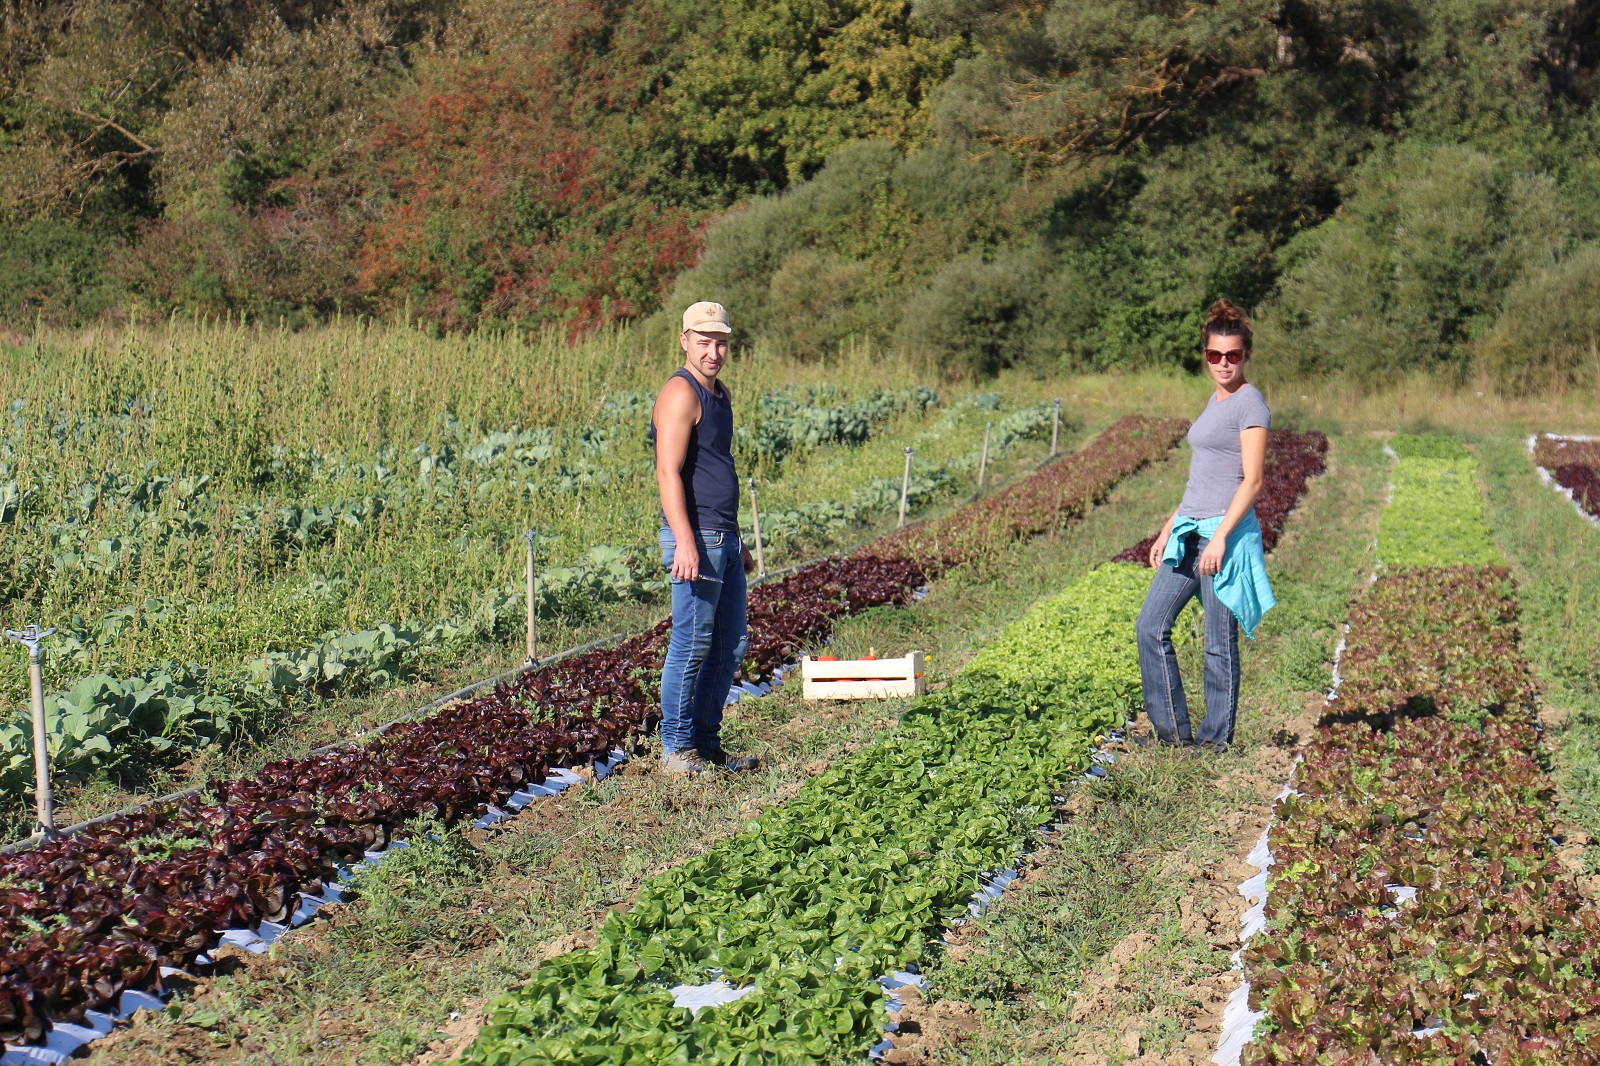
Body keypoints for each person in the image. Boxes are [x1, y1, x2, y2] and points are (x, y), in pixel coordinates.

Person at [1135, 299, 1275, 751]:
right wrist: (1167, 527)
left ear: (1246, 355)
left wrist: (1219, 539)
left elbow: (1251, 481)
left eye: (1232, 355)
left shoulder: (1249, 402)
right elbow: (1203, 477)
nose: (1223, 363)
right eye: (1215, 355)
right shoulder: (1215, 400)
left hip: (1223, 538)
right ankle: (1174, 736)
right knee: (1150, 626)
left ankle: (1215, 741)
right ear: (1205, 355)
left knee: (1218, 642)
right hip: (1189, 532)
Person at [650, 301, 760, 776]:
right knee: (692, 642)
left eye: (721, 342)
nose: (713, 351)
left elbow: (717, 466)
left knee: (730, 644)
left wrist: (739, 541)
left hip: (724, 538)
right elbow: (668, 472)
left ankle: (706, 744)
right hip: (697, 537)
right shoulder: (680, 393)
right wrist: (686, 540)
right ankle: (676, 750)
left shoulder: (721, 395)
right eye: (703, 341)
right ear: (684, 341)